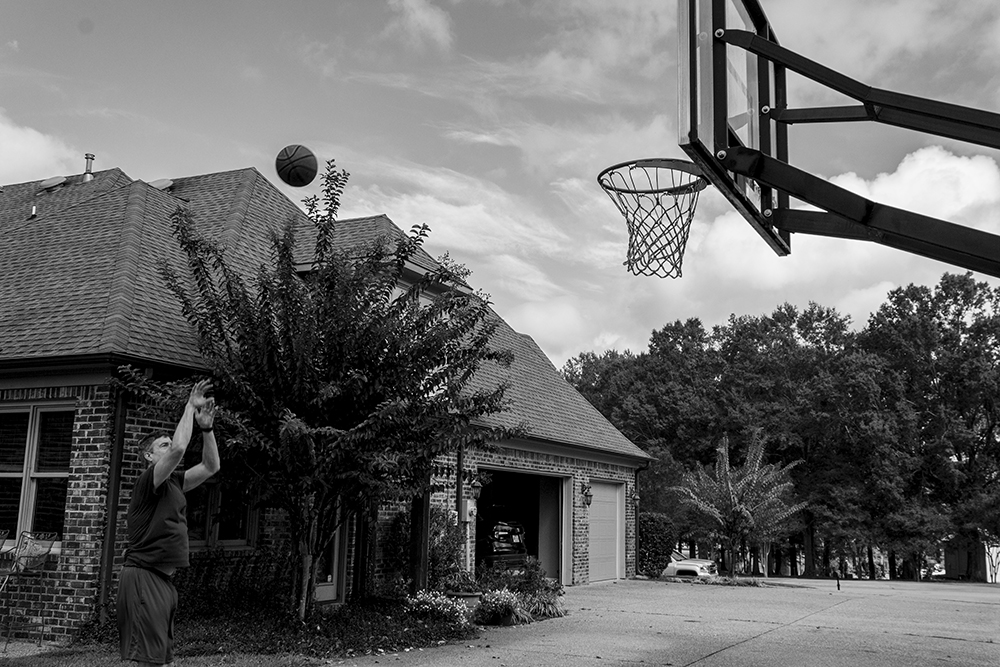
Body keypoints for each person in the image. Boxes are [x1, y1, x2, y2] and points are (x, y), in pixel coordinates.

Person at [118, 379, 220, 666]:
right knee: (151, 662)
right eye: (161, 445)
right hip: (142, 577)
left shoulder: (174, 482)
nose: (169, 446)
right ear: (149, 456)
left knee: (162, 660)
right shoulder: (146, 482)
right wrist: (190, 406)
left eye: (167, 441)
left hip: (162, 582)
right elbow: (178, 449)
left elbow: (211, 467)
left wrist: (207, 429)